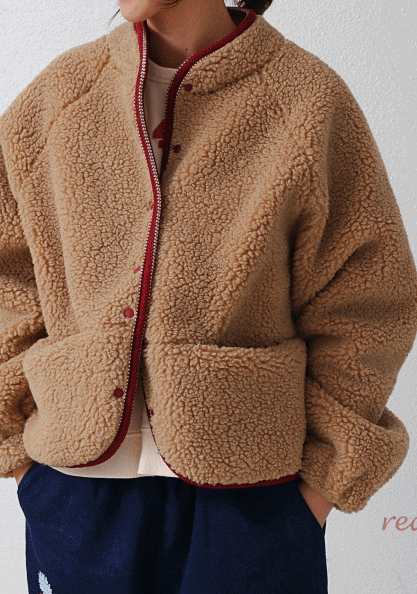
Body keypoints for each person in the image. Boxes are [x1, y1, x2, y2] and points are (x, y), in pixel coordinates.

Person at [1, 0, 416, 592]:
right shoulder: (57, 99)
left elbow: (367, 303)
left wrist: (320, 489)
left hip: (252, 506)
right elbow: (7, 282)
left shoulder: (307, 99)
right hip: (75, 499)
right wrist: (22, 465)